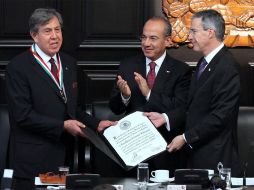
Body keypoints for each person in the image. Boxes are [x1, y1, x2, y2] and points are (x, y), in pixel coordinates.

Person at [6, 8, 115, 189]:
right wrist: (63, 126)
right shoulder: (18, 67)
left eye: (57, 30)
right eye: (47, 31)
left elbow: (73, 110)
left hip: (65, 158)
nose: (55, 36)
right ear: (34, 35)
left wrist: (97, 124)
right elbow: (22, 116)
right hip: (33, 161)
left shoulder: (69, 63)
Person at [145, 10, 241, 176]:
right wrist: (165, 118)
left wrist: (185, 138)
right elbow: (192, 106)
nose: (189, 36)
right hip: (197, 154)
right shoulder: (204, 62)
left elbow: (220, 116)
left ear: (210, 32)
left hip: (215, 157)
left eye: (193, 31)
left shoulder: (227, 66)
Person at [107, 16, 192, 177]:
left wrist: (149, 94)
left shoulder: (181, 71)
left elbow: (181, 108)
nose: (146, 43)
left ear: (167, 41)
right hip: (132, 150)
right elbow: (115, 108)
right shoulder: (128, 65)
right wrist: (124, 97)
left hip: (166, 150)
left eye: (153, 38)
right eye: (144, 37)